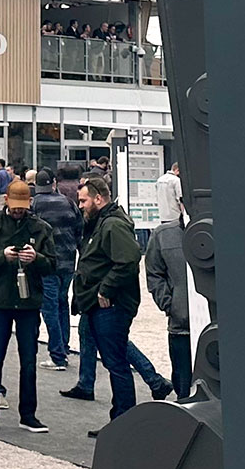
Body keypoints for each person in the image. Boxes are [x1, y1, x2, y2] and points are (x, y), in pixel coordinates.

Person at [0, 179, 56, 434]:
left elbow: (53, 265)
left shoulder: (41, 228)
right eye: (15, 205)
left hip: (29, 300)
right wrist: (2, 257)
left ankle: (28, 414)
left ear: (29, 202)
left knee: (28, 359)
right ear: (6, 201)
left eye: (23, 206)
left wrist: (36, 258)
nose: (19, 210)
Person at [70, 175, 149, 437]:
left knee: (116, 363)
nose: (80, 206)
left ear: (98, 198)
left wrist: (106, 289)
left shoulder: (112, 224)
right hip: (100, 303)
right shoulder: (101, 222)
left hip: (111, 305)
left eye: (84, 201)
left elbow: (128, 261)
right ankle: (121, 421)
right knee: (115, 361)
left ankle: (123, 423)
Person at [32, 165, 80, 371]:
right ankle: (64, 348)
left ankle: (57, 355)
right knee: (62, 303)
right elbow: (79, 230)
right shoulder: (68, 202)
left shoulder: (35, 204)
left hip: (47, 263)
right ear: (53, 183)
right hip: (68, 262)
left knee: (49, 307)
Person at [145, 202, 192, 400]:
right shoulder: (164, 234)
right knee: (184, 386)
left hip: (220, 326)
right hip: (182, 325)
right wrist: (169, 304)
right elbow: (154, 272)